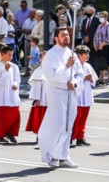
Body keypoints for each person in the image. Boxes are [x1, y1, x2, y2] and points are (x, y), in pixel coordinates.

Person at [38, 27, 83, 169]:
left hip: (70, 93)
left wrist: (74, 83)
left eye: (68, 35)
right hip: (56, 93)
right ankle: (49, 153)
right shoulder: (51, 55)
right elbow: (50, 75)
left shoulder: (71, 53)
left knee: (68, 124)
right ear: (56, 38)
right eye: (63, 35)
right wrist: (66, 67)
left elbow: (79, 74)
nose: (67, 37)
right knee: (57, 123)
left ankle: (63, 156)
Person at [0, 43, 22, 144]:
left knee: (15, 114)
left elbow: (17, 78)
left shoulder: (14, 66)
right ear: (2, 55)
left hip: (11, 95)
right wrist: (5, 71)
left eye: (11, 55)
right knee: (2, 117)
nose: (10, 57)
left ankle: (10, 133)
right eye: (8, 55)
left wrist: (15, 84)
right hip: (1, 95)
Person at [71, 45, 96, 147]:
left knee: (84, 118)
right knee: (77, 117)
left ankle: (81, 137)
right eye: (85, 54)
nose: (87, 56)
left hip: (87, 94)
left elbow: (94, 79)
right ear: (79, 55)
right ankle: (72, 136)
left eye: (88, 54)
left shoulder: (88, 66)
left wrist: (91, 79)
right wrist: (84, 78)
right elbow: (72, 79)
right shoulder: (74, 66)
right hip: (78, 95)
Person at [25, 57, 46, 139]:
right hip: (42, 100)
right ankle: (40, 135)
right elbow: (35, 86)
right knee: (41, 118)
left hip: (51, 100)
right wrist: (37, 99)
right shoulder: (39, 71)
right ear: (40, 59)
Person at [92, 10, 109, 85]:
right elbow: (95, 36)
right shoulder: (99, 25)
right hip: (99, 47)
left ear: (106, 17)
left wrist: (102, 44)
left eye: (102, 17)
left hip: (107, 46)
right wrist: (95, 44)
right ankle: (101, 79)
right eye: (99, 17)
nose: (100, 18)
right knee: (101, 62)